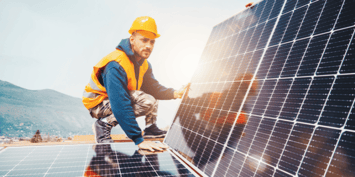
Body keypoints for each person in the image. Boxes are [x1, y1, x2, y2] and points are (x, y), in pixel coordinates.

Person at [82, 16, 187, 151]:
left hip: (119, 98)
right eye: (144, 40)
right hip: (98, 102)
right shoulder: (115, 65)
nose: (148, 46)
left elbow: (153, 88)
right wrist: (138, 139)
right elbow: (120, 102)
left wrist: (175, 93)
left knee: (150, 95)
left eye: (152, 42)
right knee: (147, 100)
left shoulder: (144, 64)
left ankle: (150, 128)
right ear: (132, 39)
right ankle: (103, 125)